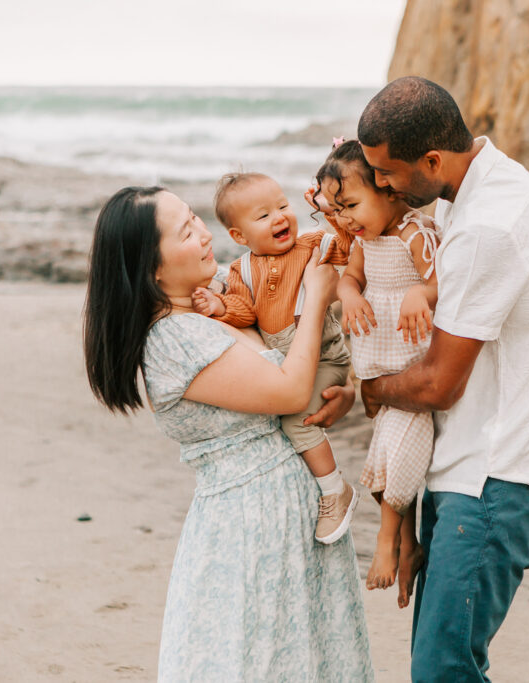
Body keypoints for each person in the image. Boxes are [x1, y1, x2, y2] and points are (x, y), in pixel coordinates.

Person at [82, 186, 372, 681]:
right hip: (248, 526)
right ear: (152, 268)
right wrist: (320, 294)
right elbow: (285, 390)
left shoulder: (219, 290)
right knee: (255, 660)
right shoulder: (171, 338)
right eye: (185, 231)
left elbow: (302, 265)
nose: (202, 233)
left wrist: (340, 390)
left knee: (312, 655)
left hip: (296, 512)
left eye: (195, 218)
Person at [357, 76, 529, 681]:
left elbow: (436, 385)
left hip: (495, 477)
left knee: (441, 669)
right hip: (472, 464)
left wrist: (370, 391)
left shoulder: (487, 226)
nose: (381, 186)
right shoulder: (470, 190)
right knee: (443, 663)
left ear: (432, 159)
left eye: (387, 173)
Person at [190, 172, 357, 544]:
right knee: (293, 415)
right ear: (238, 237)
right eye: (263, 215)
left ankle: (335, 491)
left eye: (282, 206)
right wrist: (219, 306)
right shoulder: (241, 270)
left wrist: (330, 211)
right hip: (293, 363)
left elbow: (349, 245)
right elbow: (244, 310)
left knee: (297, 422)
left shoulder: (312, 245)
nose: (280, 217)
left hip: (327, 359)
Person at [310, 140, 439, 607]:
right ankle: (408, 543)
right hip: (380, 370)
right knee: (387, 455)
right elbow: (350, 278)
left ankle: (386, 544)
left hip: (412, 369)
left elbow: (443, 277)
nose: (345, 219)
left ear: (388, 190)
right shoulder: (366, 240)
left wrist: (420, 294)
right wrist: (352, 295)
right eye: (337, 208)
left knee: (400, 453)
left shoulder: (414, 233)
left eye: (351, 205)